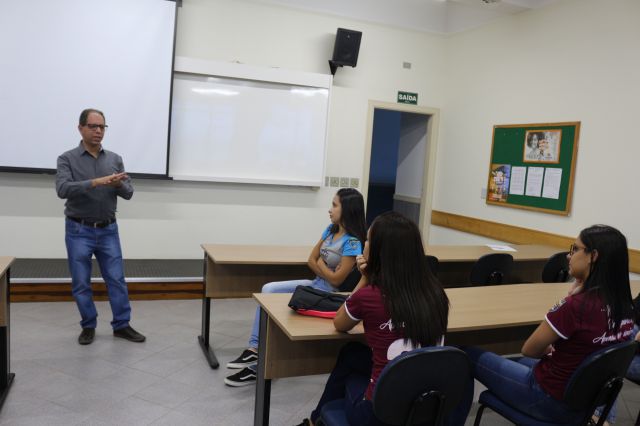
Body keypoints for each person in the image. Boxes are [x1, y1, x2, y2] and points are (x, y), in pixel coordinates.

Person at [296, 212, 472, 426]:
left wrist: (365, 277)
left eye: (369, 240)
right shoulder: (436, 293)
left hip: (377, 415)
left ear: (380, 251)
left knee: (351, 374)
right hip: (425, 401)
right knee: (352, 353)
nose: (364, 243)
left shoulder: (368, 296)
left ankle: (316, 420)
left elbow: (340, 322)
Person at [465, 225, 635, 423]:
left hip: (549, 400)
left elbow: (530, 349)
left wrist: (551, 346)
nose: (569, 256)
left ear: (593, 256)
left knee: (463, 354)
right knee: (517, 361)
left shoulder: (576, 306)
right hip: (586, 401)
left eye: (575, 249)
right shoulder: (626, 304)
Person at [224, 188, 366, 386]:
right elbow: (310, 259)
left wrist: (321, 264)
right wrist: (325, 267)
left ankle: (260, 364)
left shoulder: (352, 242)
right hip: (315, 284)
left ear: (348, 209)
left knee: (281, 312)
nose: (329, 209)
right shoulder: (330, 230)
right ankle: (254, 349)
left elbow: (336, 281)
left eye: (334, 205)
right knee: (268, 289)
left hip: (328, 294)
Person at [56, 108, 145, 345]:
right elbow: (62, 189)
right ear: (80, 128)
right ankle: (88, 325)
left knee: (116, 279)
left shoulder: (114, 159)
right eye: (93, 126)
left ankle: (122, 325)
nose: (98, 131)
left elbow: (129, 193)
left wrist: (117, 185)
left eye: (102, 127)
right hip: (78, 230)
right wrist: (95, 182)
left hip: (108, 230)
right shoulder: (67, 159)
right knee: (81, 282)